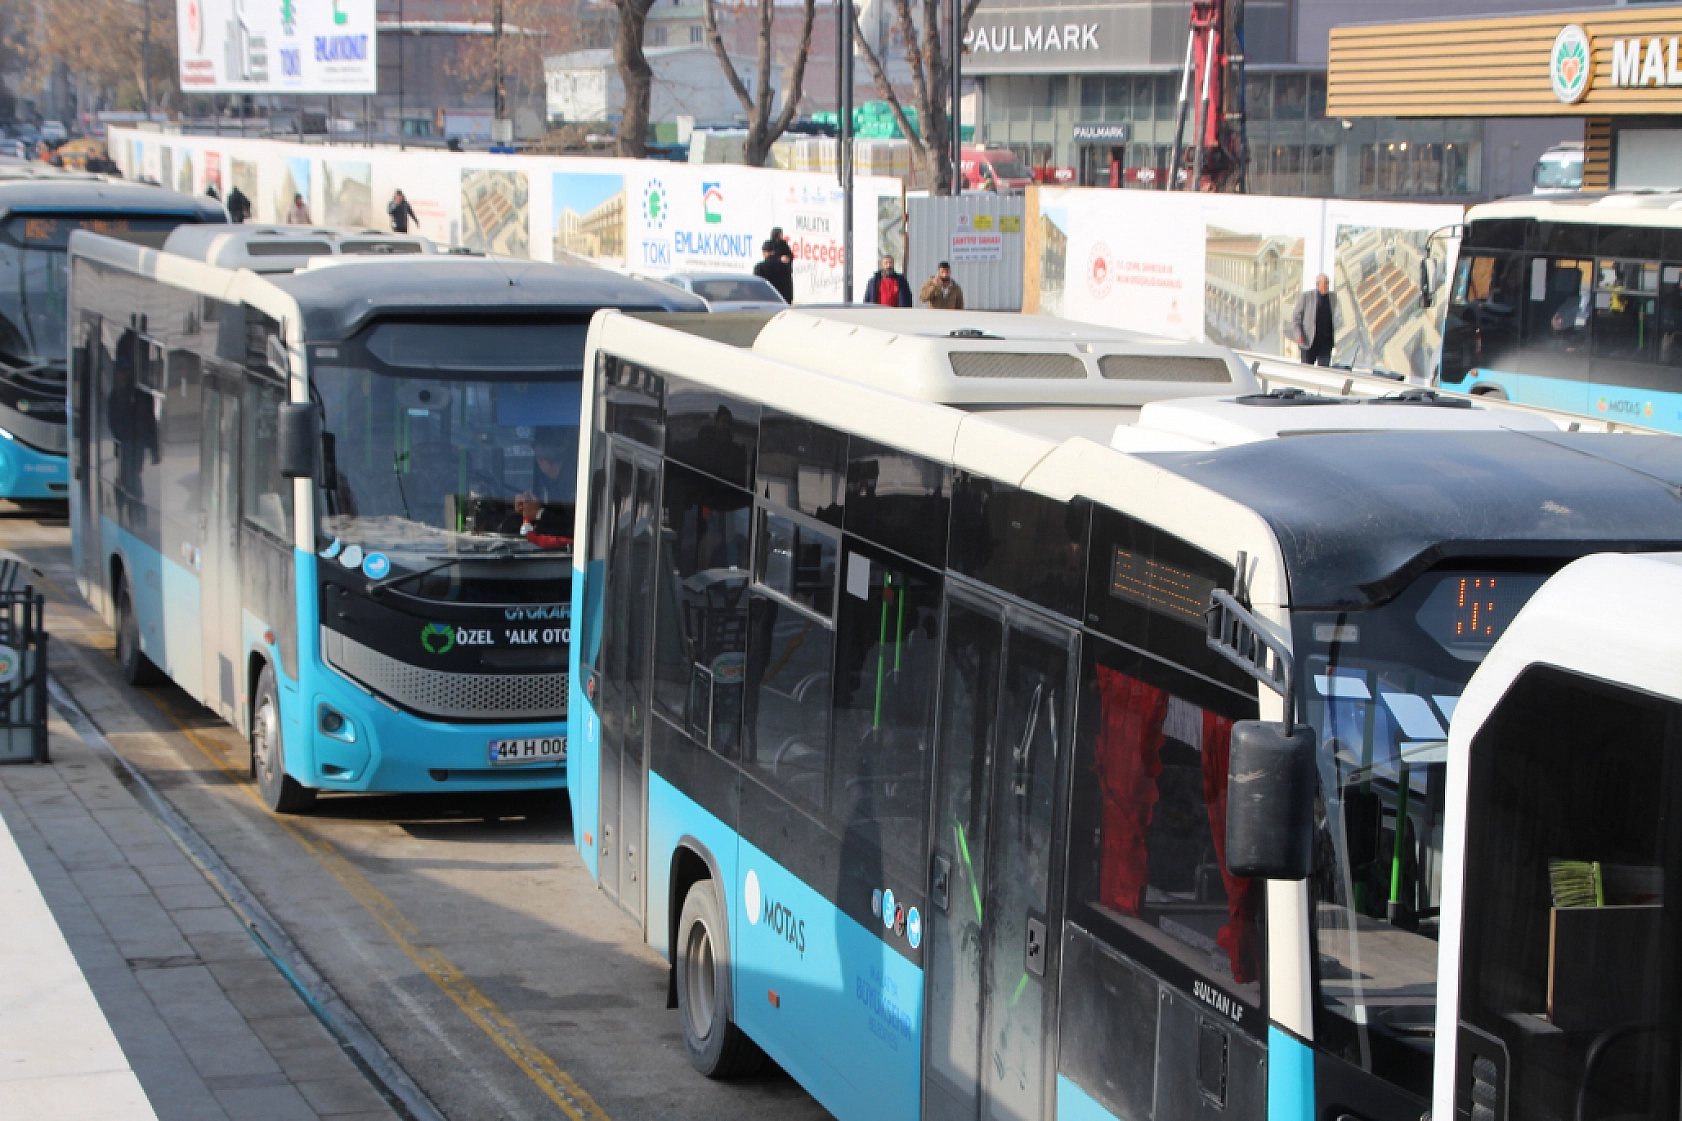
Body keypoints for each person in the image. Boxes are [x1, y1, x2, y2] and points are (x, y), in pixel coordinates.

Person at [1290, 273, 1338, 366]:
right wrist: (1298, 334)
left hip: (1325, 343)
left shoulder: (1332, 297)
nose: (1327, 286)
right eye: (1325, 283)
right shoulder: (1306, 297)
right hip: (1309, 341)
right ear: (1317, 284)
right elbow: (1296, 318)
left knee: (1323, 371)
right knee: (1307, 371)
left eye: (1328, 283)